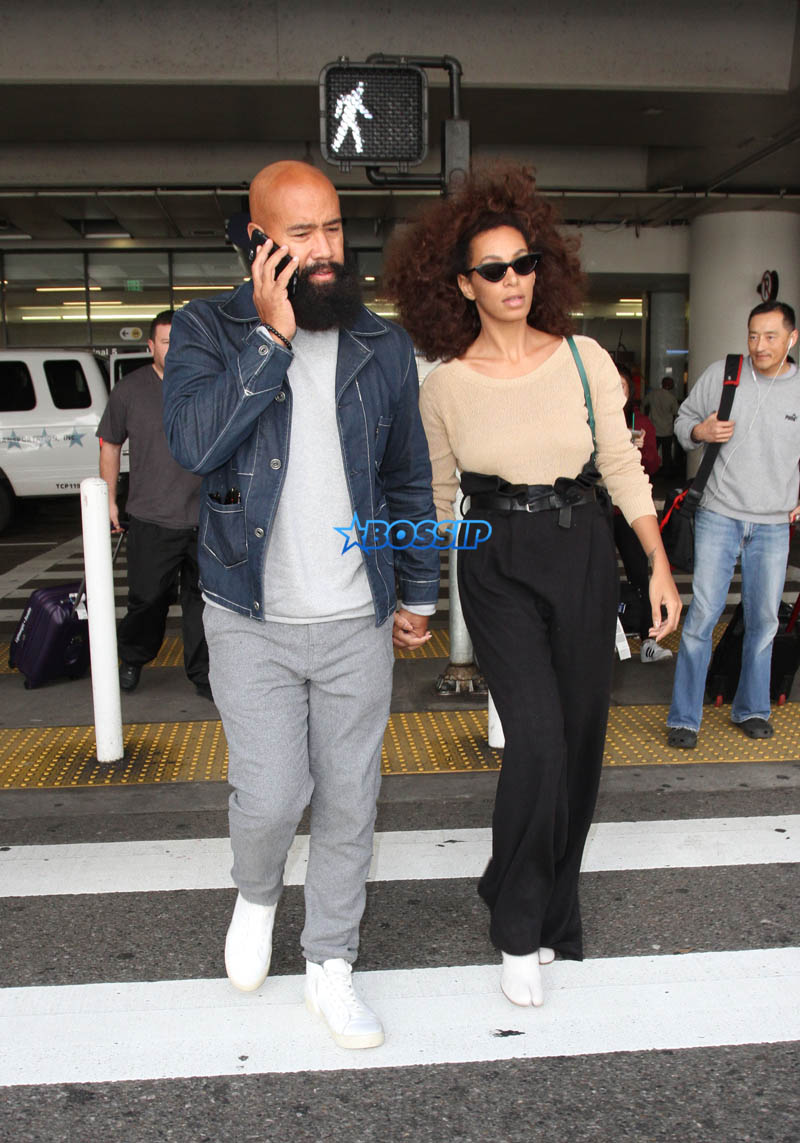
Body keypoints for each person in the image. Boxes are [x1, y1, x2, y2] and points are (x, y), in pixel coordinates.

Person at [385, 164, 681, 1009]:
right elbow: (438, 500)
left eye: (524, 264)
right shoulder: (442, 385)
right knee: (538, 740)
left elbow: (622, 466)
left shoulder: (585, 359)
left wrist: (657, 565)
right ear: (461, 284)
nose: (514, 280)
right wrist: (415, 596)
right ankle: (516, 924)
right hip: (496, 555)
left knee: (583, 747)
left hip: (582, 543)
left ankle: (547, 902)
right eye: (494, 269)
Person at [162, 160, 439, 1050]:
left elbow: (405, 480)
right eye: (300, 235)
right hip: (250, 614)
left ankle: (331, 964)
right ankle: (255, 890)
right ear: (257, 243)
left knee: (353, 795)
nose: (324, 251)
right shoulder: (208, 328)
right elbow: (197, 444)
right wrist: (271, 340)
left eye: (332, 228)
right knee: (274, 793)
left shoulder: (381, 345)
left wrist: (420, 588)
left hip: (356, 616)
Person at [667, 301, 800, 749]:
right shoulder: (725, 373)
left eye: (770, 337)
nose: (759, 346)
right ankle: (685, 718)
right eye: (753, 335)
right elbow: (682, 421)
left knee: (764, 621)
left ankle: (752, 708)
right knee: (702, 615)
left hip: (773, 524)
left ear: (791, 339)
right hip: (719, 515)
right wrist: (700, 433)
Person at [97, 311, 210, 699]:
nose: (174, 349)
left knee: (203, 604)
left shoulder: (206, 385)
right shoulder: (130, 390)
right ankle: (133, 658)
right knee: (147, 600)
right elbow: (110, 444)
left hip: (204, 517)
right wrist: (109, 499)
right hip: (151, 517)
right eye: (166, 342)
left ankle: (204, 675)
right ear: (150, 347)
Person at [614, 364, 672, 662]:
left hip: (631, 512)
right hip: (596, 509)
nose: (617, 391)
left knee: (641, 572)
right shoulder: (587, 420)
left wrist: (639, 450)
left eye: (622, 386)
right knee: (595, 576)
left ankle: (650, 639)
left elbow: (653, 465)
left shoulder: (642, 422)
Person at [643, 376, 680, 471]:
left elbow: (643, 403)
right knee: (666, 453)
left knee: (652, 452)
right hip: (667, 430)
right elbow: (676, 413)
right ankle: (667, 473)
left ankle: (651, 471)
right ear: (670, 385)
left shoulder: (653, 394)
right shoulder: (672, 398)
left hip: (654, 429)